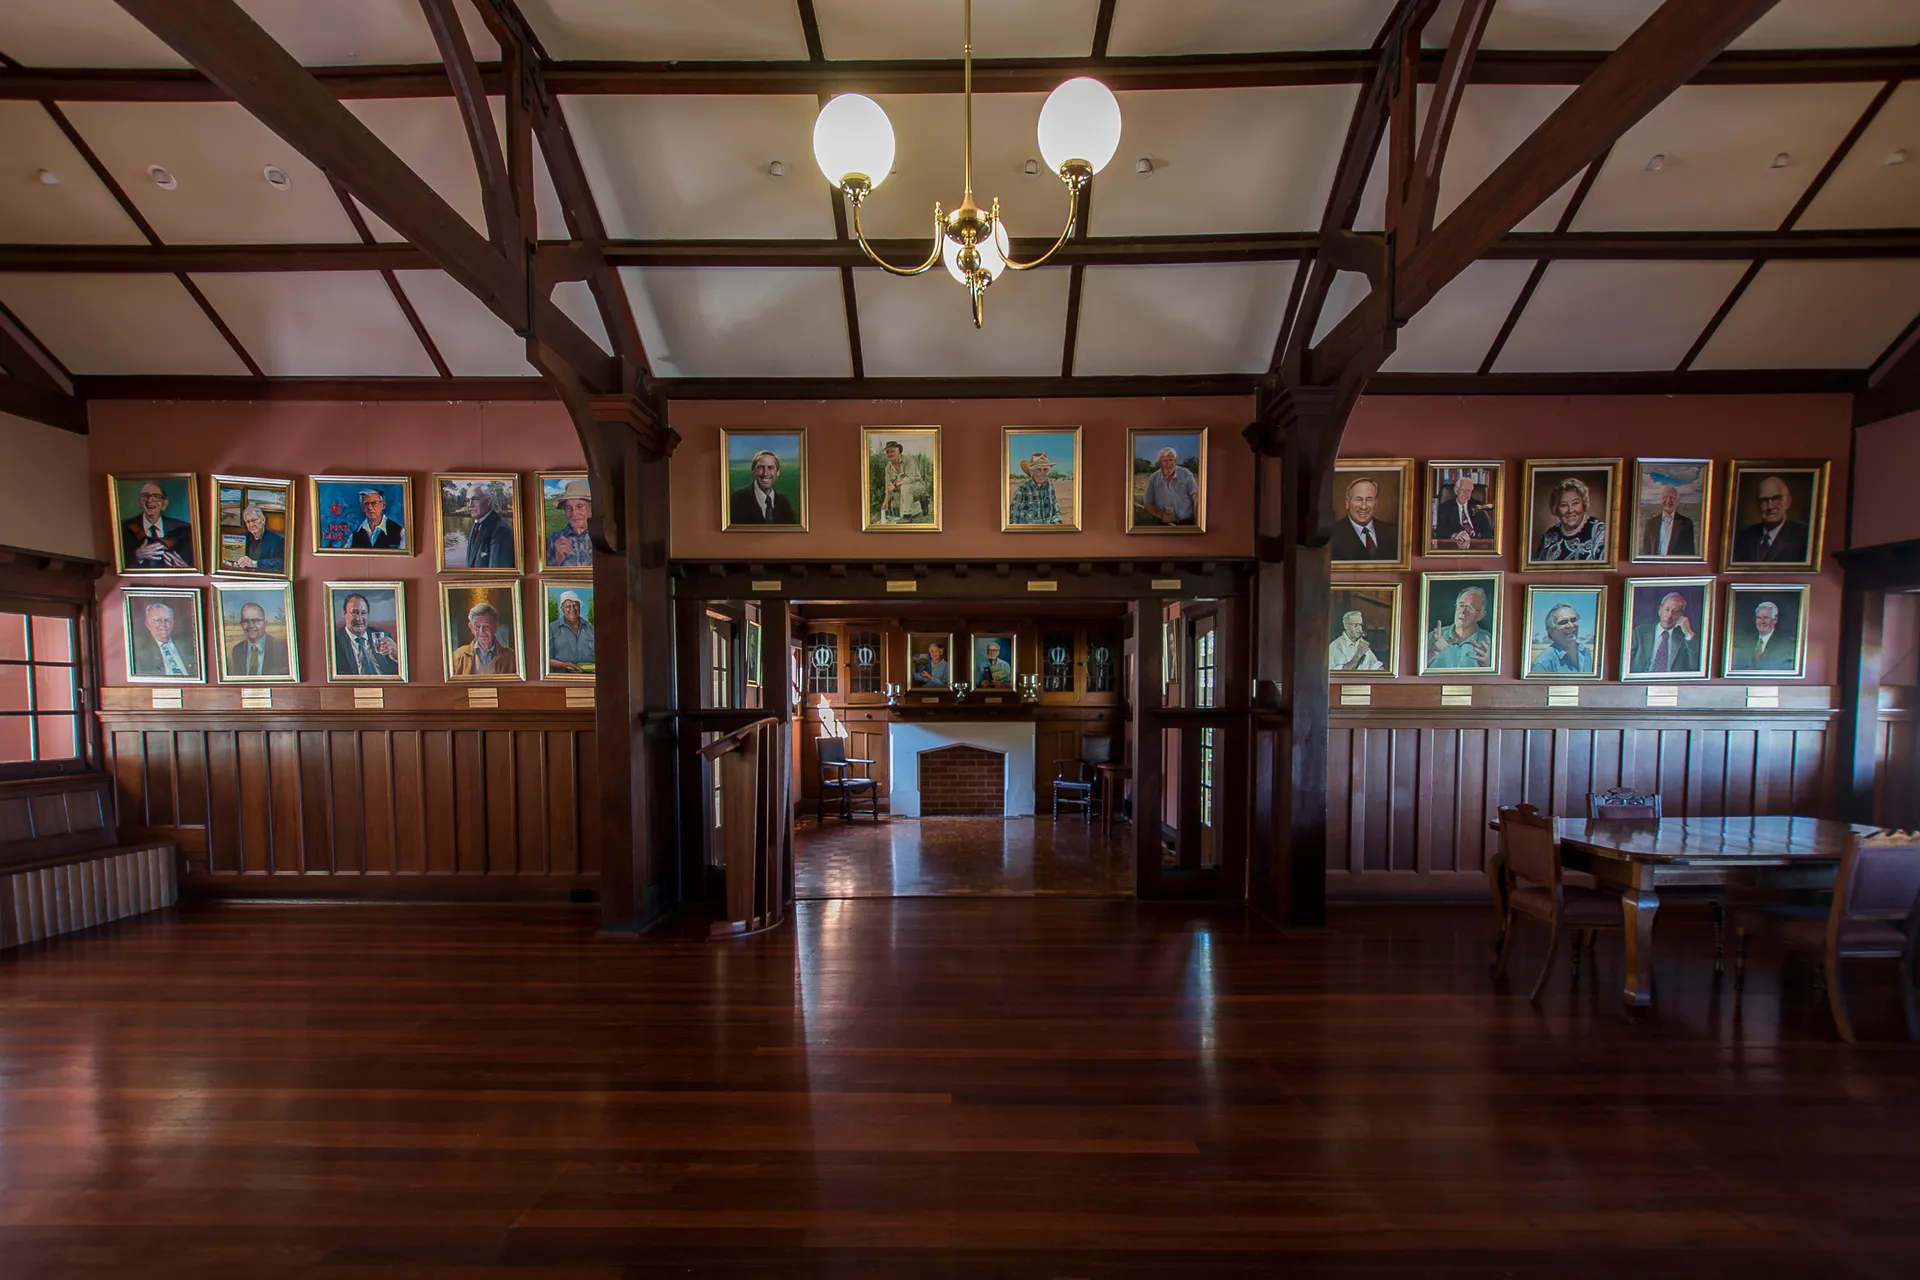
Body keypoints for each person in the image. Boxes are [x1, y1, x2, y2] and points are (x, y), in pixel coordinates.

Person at [1731, 474, 1811, 564]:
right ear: (1757, 504)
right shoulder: (1745, 536)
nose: (1770, 506)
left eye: (1776, 499)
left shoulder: (1805, 535)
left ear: (1787, 501)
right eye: (1764, 500)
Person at [121, 480, 196, 570]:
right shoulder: (123, 528)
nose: (150, 500)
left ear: (164, 503)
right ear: (140, 502)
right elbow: (114, 564)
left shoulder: (184, 529)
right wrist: (137, 556)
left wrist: (186, 568)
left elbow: (195, 565)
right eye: (145, 496)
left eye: (156, 496)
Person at [1533, 476, 1607, 562]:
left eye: (1575, 503)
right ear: (1555, 509)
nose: (1570, 510)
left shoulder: (1600, 533)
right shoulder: (1549, 536)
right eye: (1563, 505)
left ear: (1584, 504)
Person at [332, 592, 401, 678]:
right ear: (344, 613)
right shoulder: (334, 641)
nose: (359, 618)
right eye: (354, 612)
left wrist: (397, 654)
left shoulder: (383, 636)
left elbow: (398, 672)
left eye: (363, 613)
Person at [1629, 590, 1698, 675]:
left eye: (1675, 612)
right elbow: (1626, 662)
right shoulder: (1639, 632)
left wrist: (1688, 634)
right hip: (1641, 679)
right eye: (1667, 609)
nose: (1669, 616)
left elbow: (1694, 666)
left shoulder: (1685, 637)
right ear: (1660, 610)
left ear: (1681, 615)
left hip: (1672, 681)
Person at [1425, 585, 1492, 670]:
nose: (1463, 612)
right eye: (1461, 605)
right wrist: (1431, 654)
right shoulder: (1433, 637)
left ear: (1480, 615)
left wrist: (1487, 666)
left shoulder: (1489, 642)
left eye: (1471, 607)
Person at [1330, 476, 1396, 561]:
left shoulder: (1393, 534)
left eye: (1369, 500)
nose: (1363, 507)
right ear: (1347, 503)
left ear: (1375, 504)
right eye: (1358, 499)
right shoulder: (1332, 536)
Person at [729, 449, 798, 525]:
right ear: (753, 471)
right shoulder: (737, 498)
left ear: (778, 472)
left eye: (770, 468)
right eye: (760, 467)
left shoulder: (783, 502)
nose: (765, 473)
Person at [130, 600, 197, 678]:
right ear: (148, 624)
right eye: (158, 620)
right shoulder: (141, 654)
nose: (163, 624)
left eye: (167, 620)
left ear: (173, 623)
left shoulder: (188, 647)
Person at [451, 601, 517, 677]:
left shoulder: (511, 658)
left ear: (495, 626)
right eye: (477, 626)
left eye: (486, 626)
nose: (481, 631)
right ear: (471, 627)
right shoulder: (458, 656)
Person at [227, 600, 289, 678]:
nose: (250, 625)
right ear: (241, 624)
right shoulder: (237, 650)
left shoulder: (282, 648)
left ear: (265, 623)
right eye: (246, 621)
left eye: (256, 620)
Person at [460, 482, 515, 569]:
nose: (470, 504)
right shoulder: (477, 525)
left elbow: (498, 574)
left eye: (475, 499)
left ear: (488, 501)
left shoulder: (501, 531)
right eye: (467, 500)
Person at [1141, 446, 1199, 526]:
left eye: (1171, 460)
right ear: (1160, 462)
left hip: (1187, 522)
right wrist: (1161, 515)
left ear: (1176, 460)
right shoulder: (1154, 478)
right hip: (1164, 523)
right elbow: (1147, 504)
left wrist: (1197, 523)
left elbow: (1196, 498)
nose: (1168, 464)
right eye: (1165, 461)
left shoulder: (1186, 474)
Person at [1529, 602, 1592, 675]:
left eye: (1573, 620)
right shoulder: (1543, 664)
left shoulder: (1585, 652)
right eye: (1563, 622)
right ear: (1552, 630)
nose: (1571, 625)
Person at [1433, 473, 1494, 549]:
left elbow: (1488, 531)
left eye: (1469, 491)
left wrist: (1475, 535)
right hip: (1456, 545)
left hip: (1476, 545)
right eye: (1463, 490)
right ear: (1456, 490)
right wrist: (1455, 535)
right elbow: (1440, 531)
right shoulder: (1446, 507)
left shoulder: (1477, 506)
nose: (1466, 494)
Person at [1734, 600, 1795, 672]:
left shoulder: (1788, 645)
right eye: (1759, 617)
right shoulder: (1746, 642)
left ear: (1775, 620)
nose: (1762, 621)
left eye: (1766, 617)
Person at [225, 503, 285, 574]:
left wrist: (254, 563)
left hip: (265, 578)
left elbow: (280, 563)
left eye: (254, 520)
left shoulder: (278, 539)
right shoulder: (241, 539)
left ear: (263, 520)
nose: (251, 525)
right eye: (248, 522)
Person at [545, 480, 593, 568]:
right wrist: (557, 559)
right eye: (568, 508)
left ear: (591, 509)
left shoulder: (601, 536)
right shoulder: (554, 539)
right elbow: (544, 573)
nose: (574, 514)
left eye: (579, 506)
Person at [1639, 484, 1696, 558]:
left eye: (1672, 497)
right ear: (1660, 501)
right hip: (1654, 565)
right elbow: (1646, 553)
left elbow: (1690, 554)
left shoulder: (1686, 524)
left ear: (1677, 502)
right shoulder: (1650, 523)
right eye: (1665, 497)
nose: (1668, 501)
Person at [878, 440, 927, 523]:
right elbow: (888, 487)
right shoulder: (888, 468)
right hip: (904, 490)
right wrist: (885, 503)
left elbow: (910, 478)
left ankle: (907, 516)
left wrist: (895, 485)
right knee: (900, 513)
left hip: (918, 486)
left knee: (905, 487)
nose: (890, 454)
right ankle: (922, 504)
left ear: (899, 451)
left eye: (892, 451)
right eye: (887, 452)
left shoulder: (909, 460)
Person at [547, 591, 595, 674]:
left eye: (575, 605)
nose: (572, 609)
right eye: (568, 606)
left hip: (589, 678)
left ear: (579, 606)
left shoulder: (591, 628)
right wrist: (563, 665)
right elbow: (545, 659)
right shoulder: (552, 628)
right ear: (562, 608)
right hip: (562, 678)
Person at [1008, 451, 1062, 525]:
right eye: (1039, 469)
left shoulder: (1050, 488)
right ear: (1031, 472)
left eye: (1045, 470)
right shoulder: (1023, 490)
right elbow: (1012, 517)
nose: (1042, 473)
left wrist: (1057, 523)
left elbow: (1056, 512)